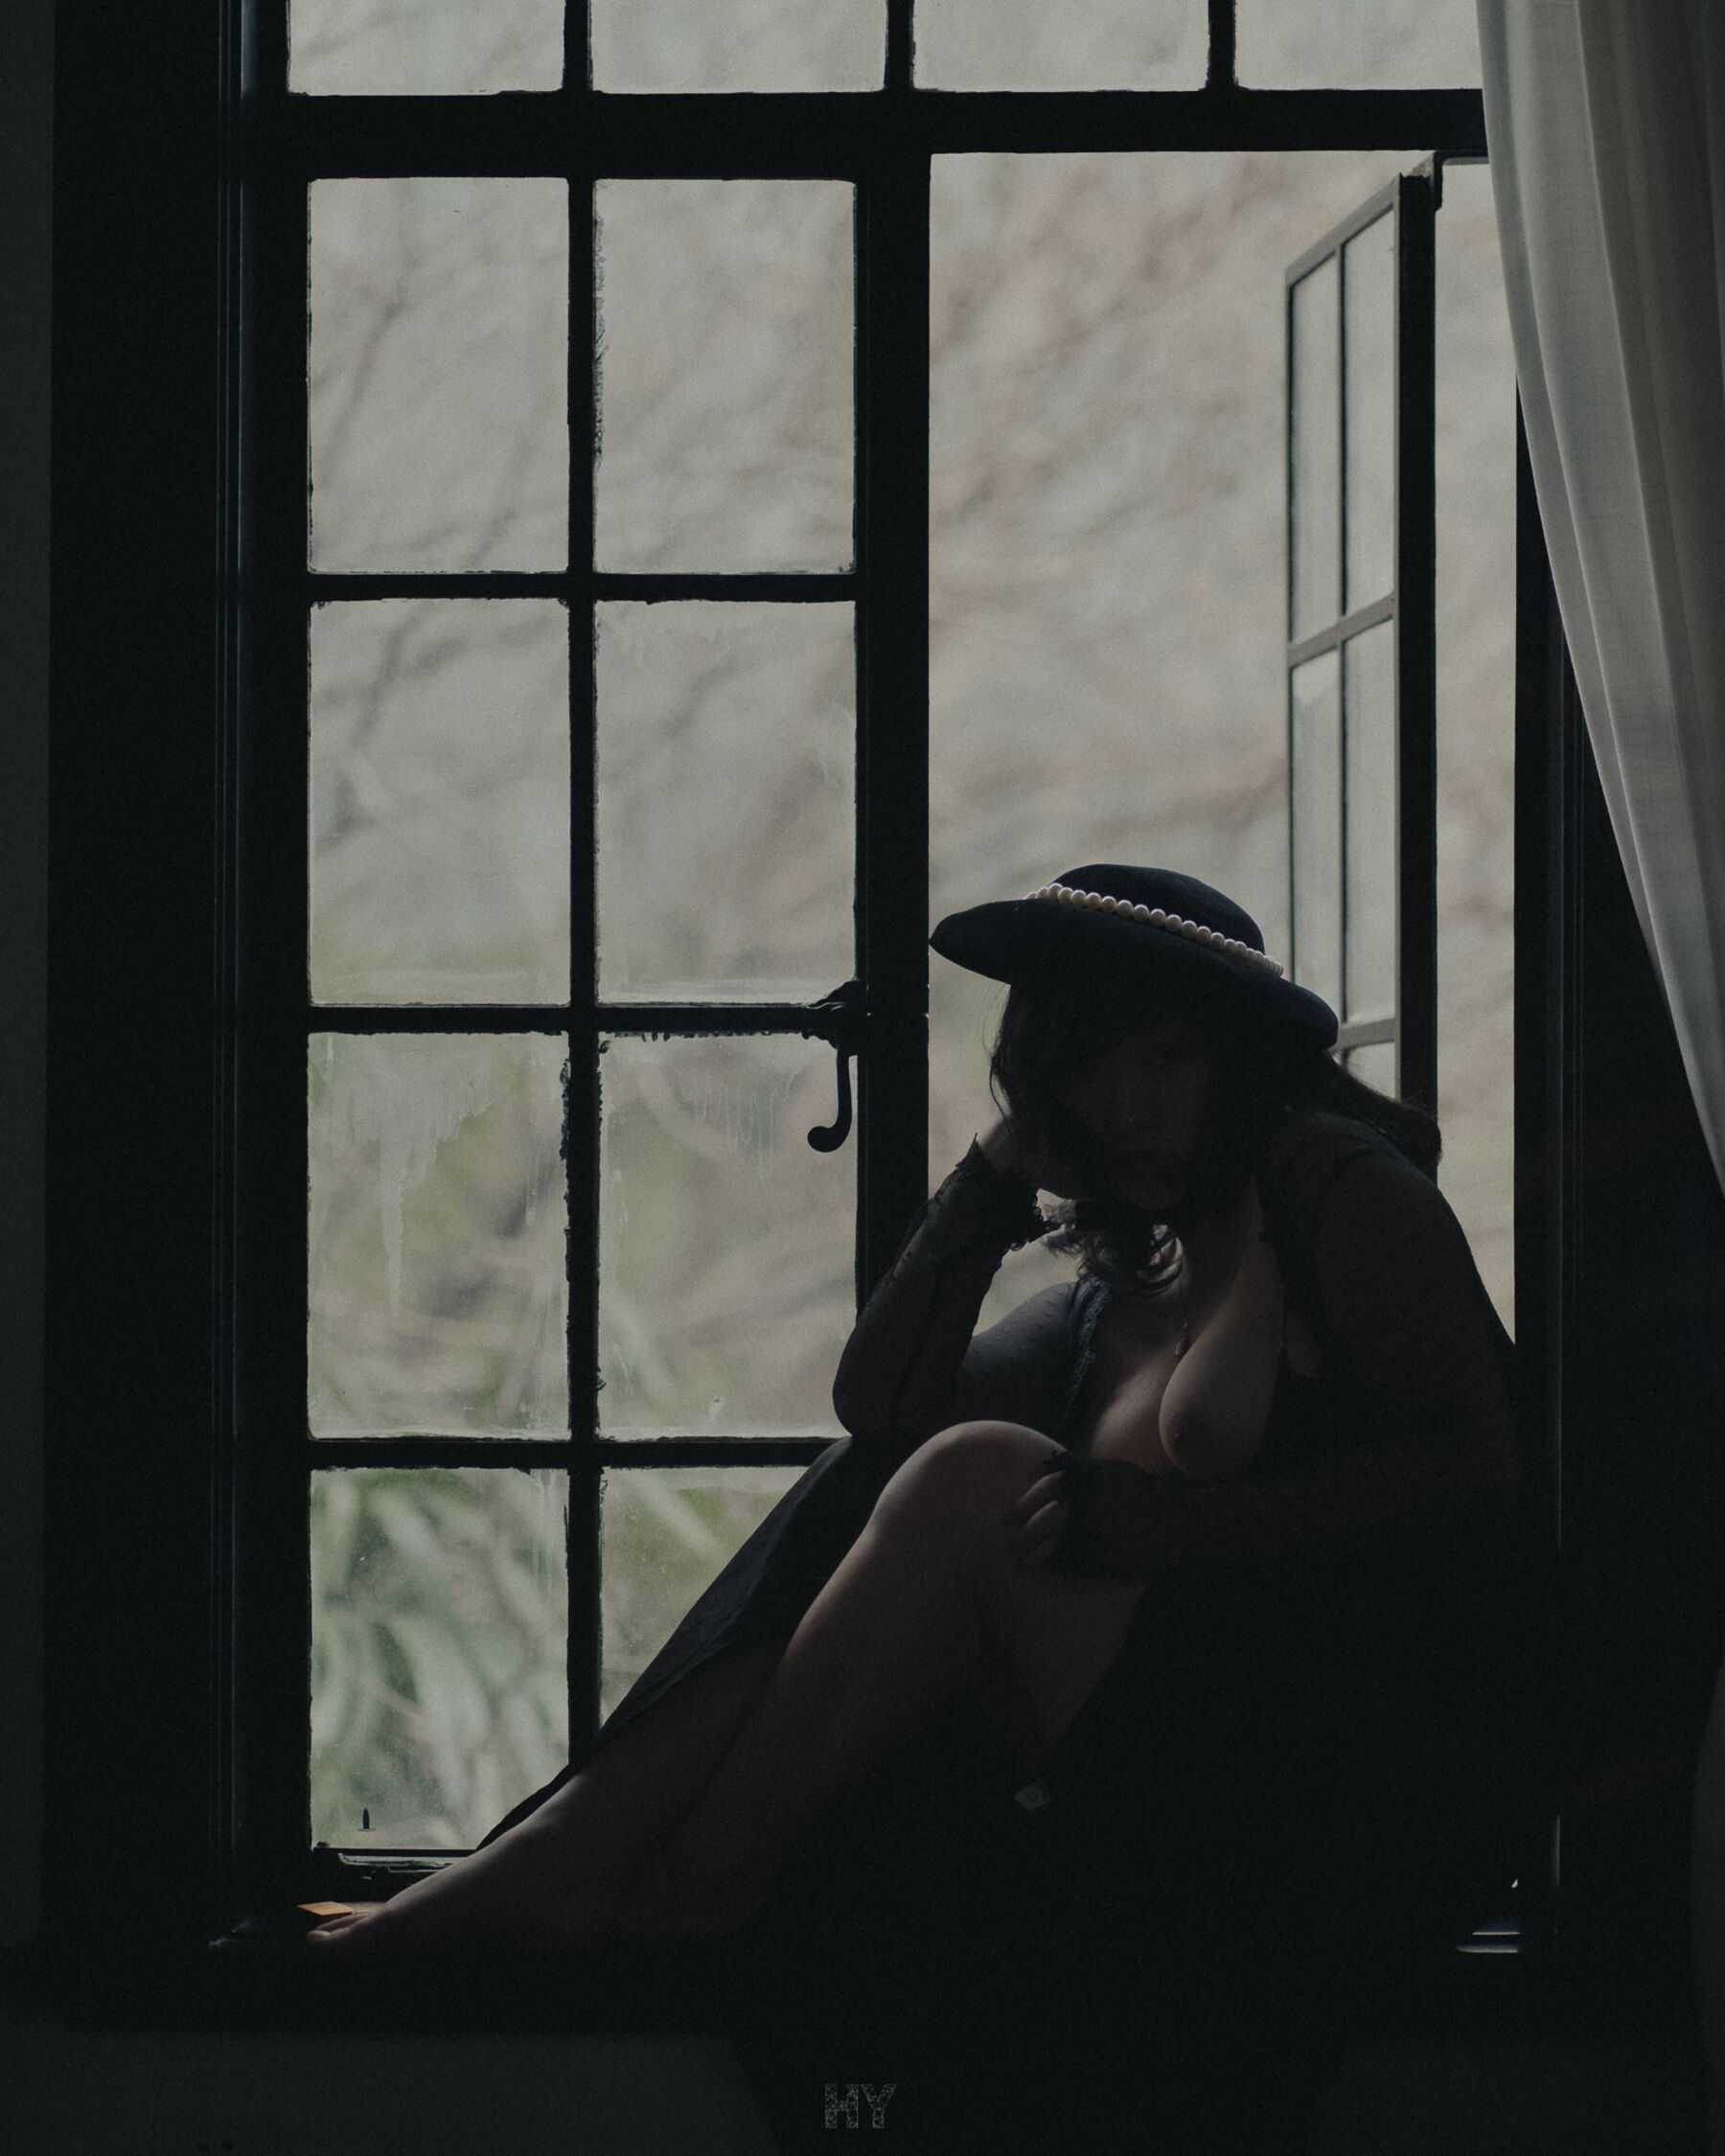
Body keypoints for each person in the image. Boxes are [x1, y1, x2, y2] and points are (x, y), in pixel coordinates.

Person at [306, 864, 1546, 2155]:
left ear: (1240, 1061)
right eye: (1090, 1063)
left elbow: (1482, 1471)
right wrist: (994, 1176)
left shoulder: (1336, 1190)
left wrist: (1184, 1530)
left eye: (1169, 1059)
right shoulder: (1132, 1277)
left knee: (975, 1475)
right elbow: (880, 1405)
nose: (1128, 1104)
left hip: (1334, 1776)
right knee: (896, 1470)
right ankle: (563, 1852)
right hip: (1160, 1751)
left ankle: (678, 1890)